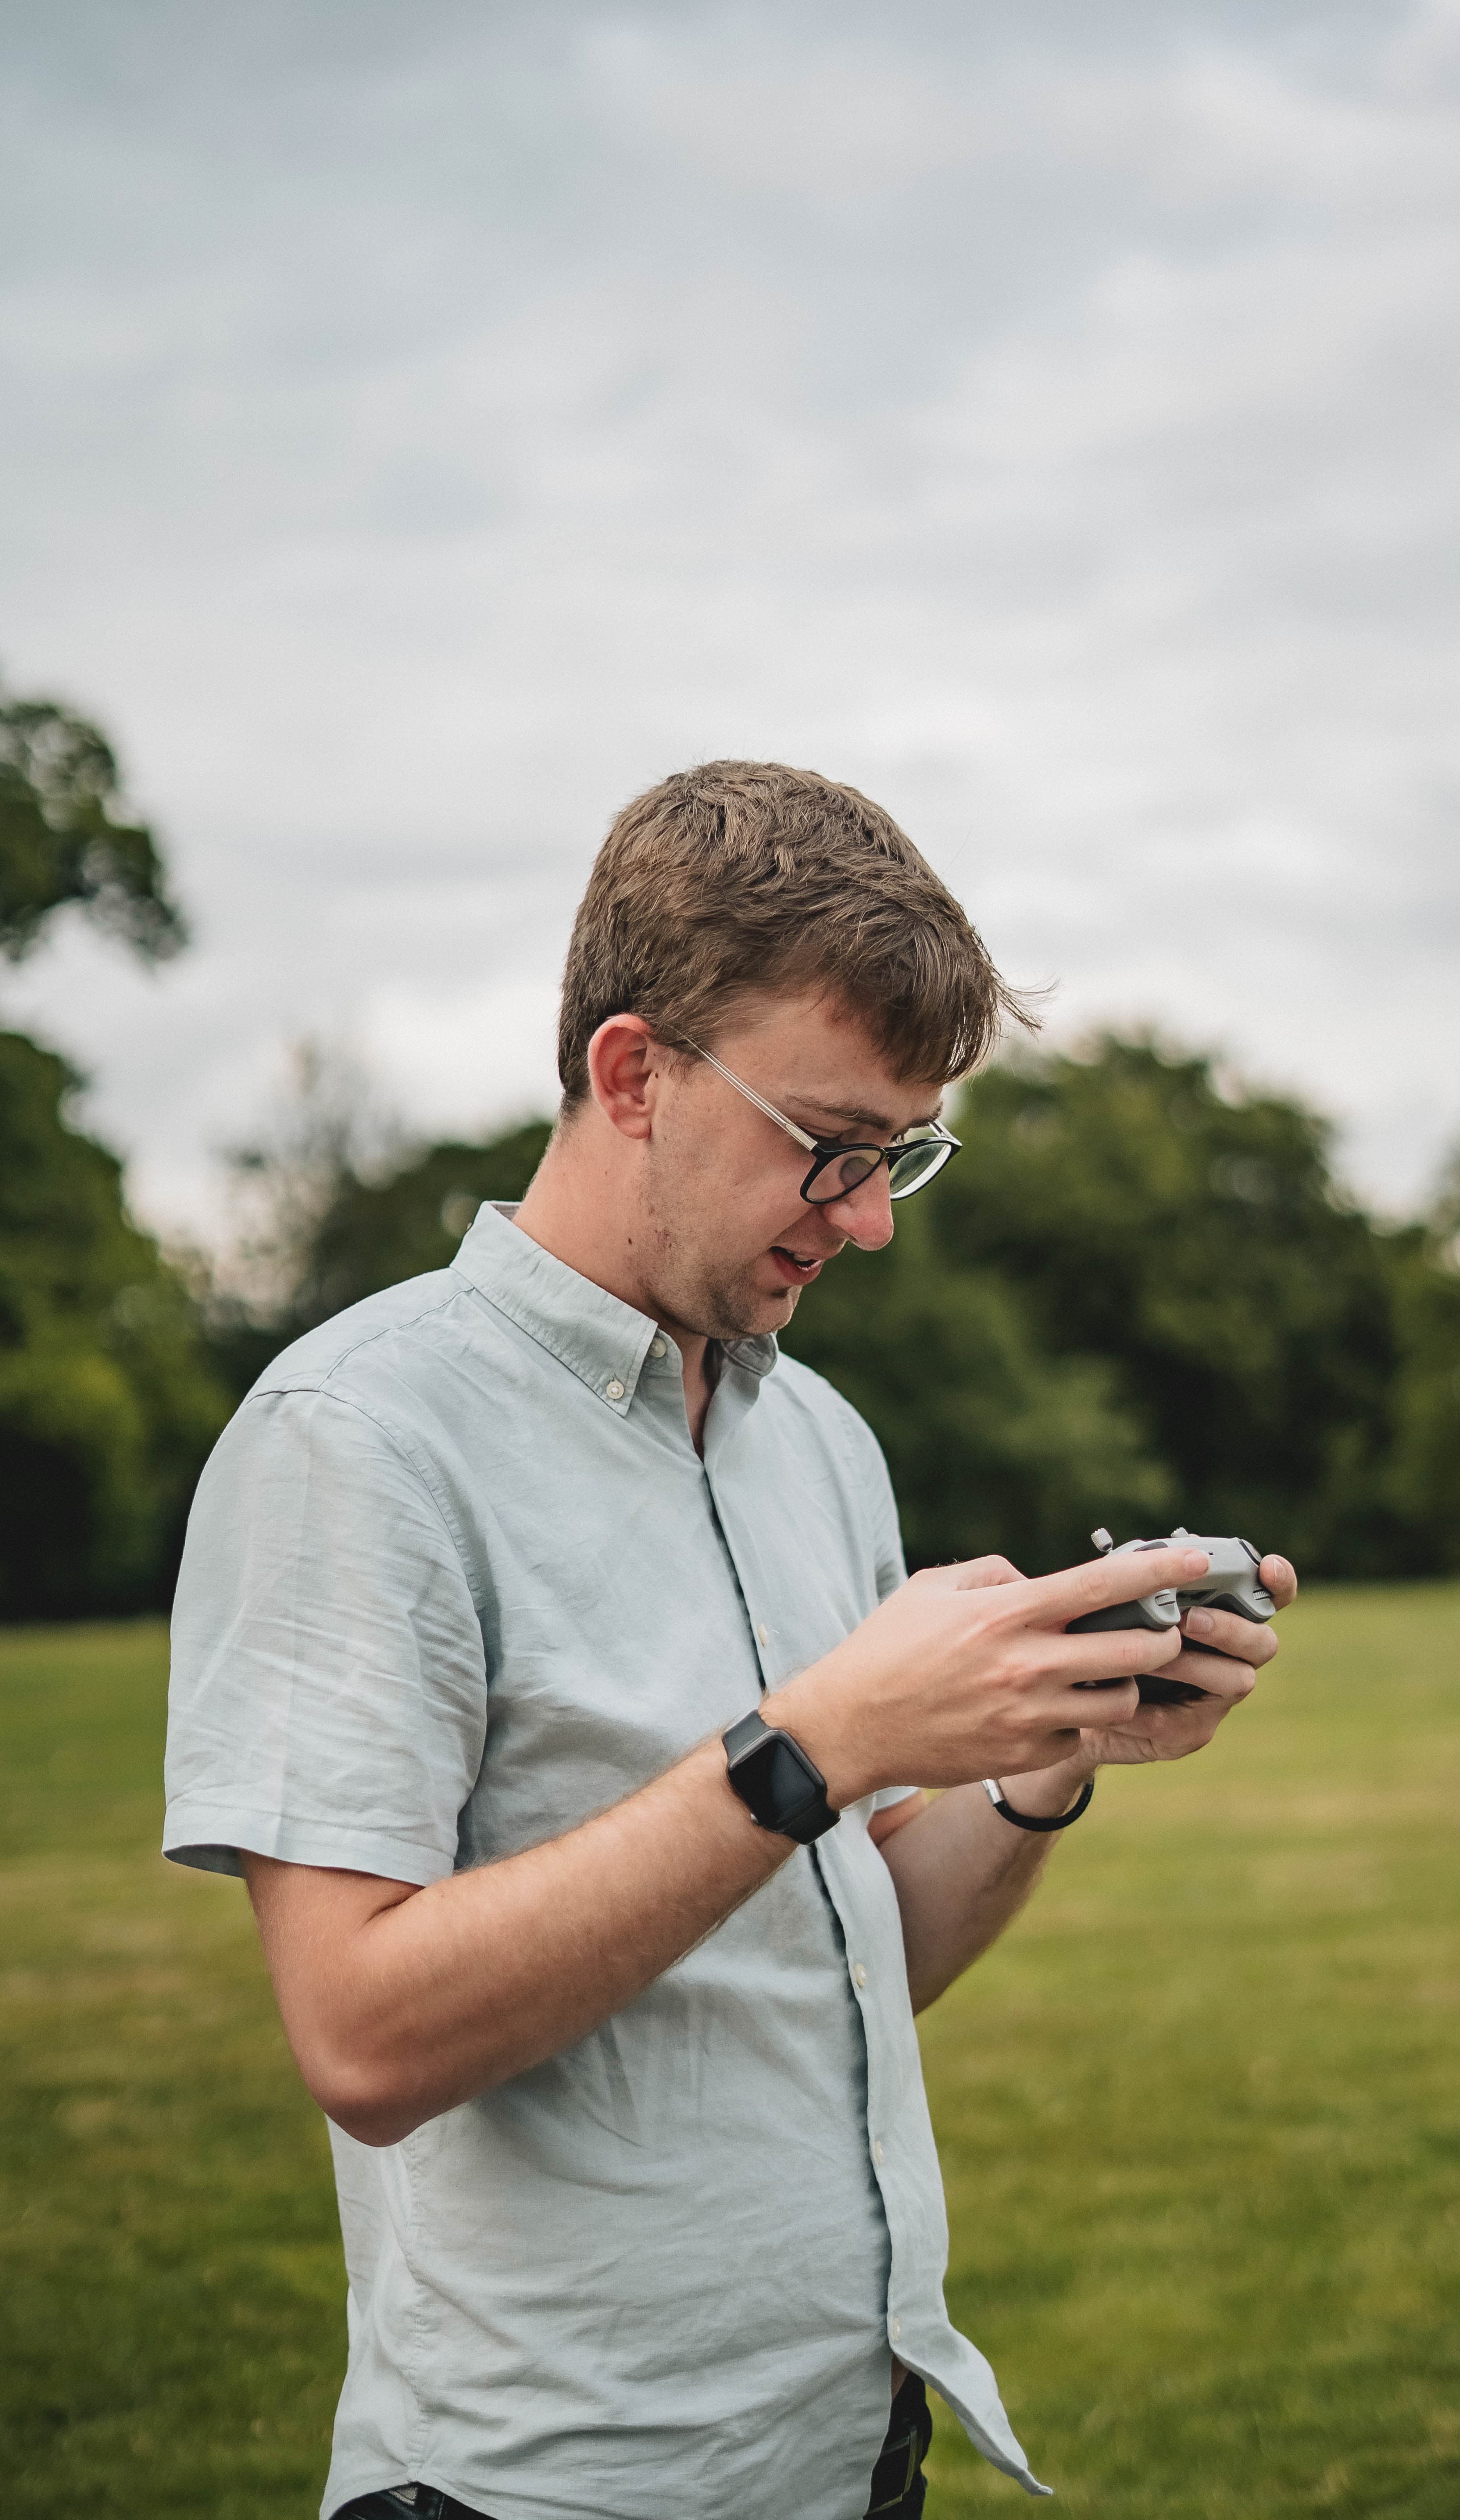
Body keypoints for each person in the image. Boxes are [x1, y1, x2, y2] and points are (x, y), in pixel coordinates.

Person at [164, 761, 1294, 2520]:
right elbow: (363, 2038)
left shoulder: (819, 1439)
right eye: (829, 1145)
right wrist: (815, 1742)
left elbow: (841, 1966)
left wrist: (1035, 1768)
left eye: (902, 1151)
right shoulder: (356, 1437)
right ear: (634, 1073)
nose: (870, 1218)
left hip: (849, 2460)